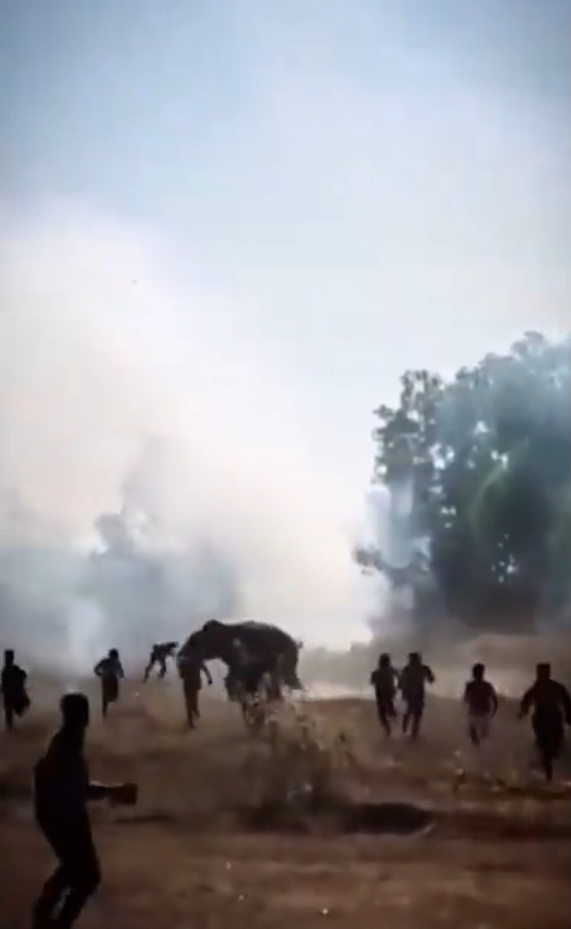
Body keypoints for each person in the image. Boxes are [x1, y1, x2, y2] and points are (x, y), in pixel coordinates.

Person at [32, 691, 137, 928]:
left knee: (74, 869)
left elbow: (74, 787)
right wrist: (113, 791)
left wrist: (111, 791)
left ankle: (46, 913)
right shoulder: (67, 745)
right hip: (63, 816)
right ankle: (54, 919)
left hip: (57, 813)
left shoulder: (66, 741)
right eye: (82, 713)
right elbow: (76, 789)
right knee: (87, 875)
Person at [518, 663, 571, 782]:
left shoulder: (554, 686)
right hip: (542, 718)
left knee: (554, 745)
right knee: (544, 745)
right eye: (539, 673)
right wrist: (522, 712)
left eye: (542, 673)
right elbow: (526, 701)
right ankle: (547, 771)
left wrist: (568, 716)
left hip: (552, 717)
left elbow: (566, 702)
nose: (540, 675)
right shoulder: (538, 687)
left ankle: (548, 766)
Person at [399, 652, 435, 738]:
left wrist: (402, 691)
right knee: (417, 711)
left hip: (410, 692)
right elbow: (431, 679)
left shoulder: (407, 669)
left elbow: (400, 682)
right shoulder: (423, 668)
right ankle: (413, 730)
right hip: (418, 692)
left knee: (410, 709)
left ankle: (406, 727)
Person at [463, 663, 498, 747]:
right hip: (484, 712)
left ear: (473, 673)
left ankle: (477, 748)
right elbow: (494, 699)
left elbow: (466, 699)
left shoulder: (470, 685)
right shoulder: (487, 685)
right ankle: (480, 749)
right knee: (483, 736)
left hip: (474, 712)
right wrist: (494, 710)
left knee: (473, 732)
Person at [178, 653, 212, 728]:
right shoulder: (198, 659)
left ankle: (191, 719)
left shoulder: (184, 660)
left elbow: (181, 675)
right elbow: (205, 669)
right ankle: (194, 712)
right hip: (195, 682)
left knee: (189, 701)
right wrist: (209, 678)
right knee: (193, 699)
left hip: (188, 682)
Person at [369, 653, 399, 736]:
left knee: (382, 712)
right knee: (389, 706)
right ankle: (392, 717)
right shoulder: (391, 670)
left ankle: (387, 726)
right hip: (389, 692)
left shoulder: (376, 672)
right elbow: (399, 676)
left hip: (381, 693)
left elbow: (372, 682)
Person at [0, 648, 30, 731]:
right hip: (10, 695)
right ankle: (10, 728)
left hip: (14, 694)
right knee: (9, 713)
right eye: (7, 658)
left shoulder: (14, 669)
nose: (7, 659)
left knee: (21, 706)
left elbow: (23, 675)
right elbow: (4, 684)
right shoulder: (6, 671)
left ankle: (10, 726)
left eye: (9, 657)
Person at [93, 648, 124, 719]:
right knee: (112, 695)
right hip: (111, 679)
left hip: (106, 679)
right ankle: (108, 712)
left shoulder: (105, 661)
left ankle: (105, 711)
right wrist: (121, 675)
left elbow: (96, 669)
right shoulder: (116, 662)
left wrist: (100, 674)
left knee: (106, 695)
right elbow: (121, 672)